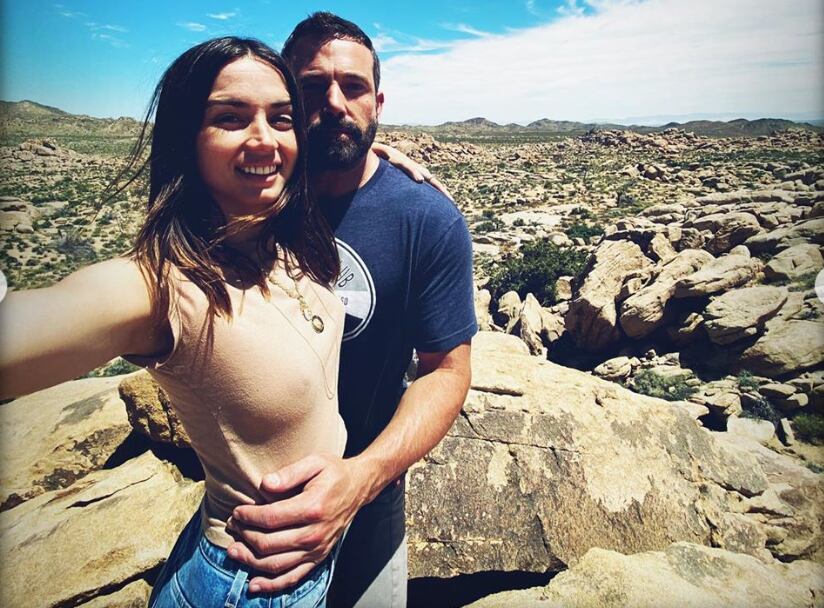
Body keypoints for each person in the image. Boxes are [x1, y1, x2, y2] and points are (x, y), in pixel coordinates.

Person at [0, 37, 347, 608]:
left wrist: (387, 160)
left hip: (307, 559)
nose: (264, 138)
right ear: (187, 138)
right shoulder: (157, 286)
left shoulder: (279, 235)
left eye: (281, 119)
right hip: (246, 585)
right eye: (230, 118)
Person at [225, 13, 478, 607]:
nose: (335, 103)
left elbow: (446, 370)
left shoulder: (426, 219)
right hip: (250, 502)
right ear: (287, 99)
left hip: (368, 496)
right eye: (312, 87)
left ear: (377, 103)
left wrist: (360, 479)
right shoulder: (253, 196)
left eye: (354, 87)